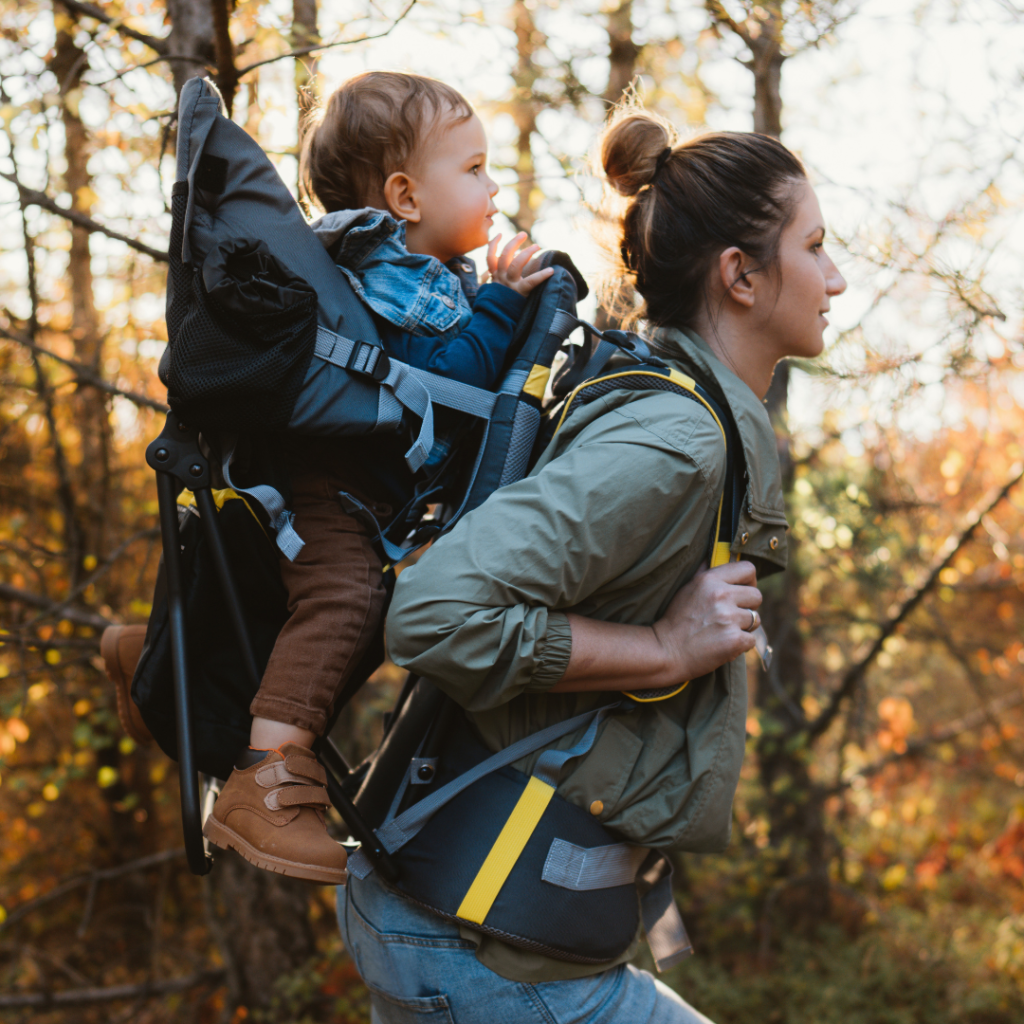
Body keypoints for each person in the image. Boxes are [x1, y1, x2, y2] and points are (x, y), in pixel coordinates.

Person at [336, 103, 847, 1023]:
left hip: (473, 927)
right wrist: (663, 648)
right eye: (815, 247)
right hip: (475, 948)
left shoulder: (688, 412)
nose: (836, 278)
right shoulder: (674, 440)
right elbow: (432, 613)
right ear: (739, 275)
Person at [202, 72, 554, 884]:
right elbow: (439, 383)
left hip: (331, 483)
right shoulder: (398, 274)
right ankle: (266, 788)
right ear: (405, 196)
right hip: (327, 489)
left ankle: (151, 655)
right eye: (472, 169)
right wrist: (503, 301)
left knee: (331, 606)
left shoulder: (404, 268)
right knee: (349, 598)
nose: (493, 185)